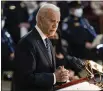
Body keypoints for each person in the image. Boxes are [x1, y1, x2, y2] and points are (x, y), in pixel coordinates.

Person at [12, 3, 71, 91]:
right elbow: (25, 78)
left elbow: (45, 71)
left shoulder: (48, 41)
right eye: (52, 21)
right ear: (40, 20)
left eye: (57, 22)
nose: (55, 26)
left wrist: (60, 75)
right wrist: (54, 77)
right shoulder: (27, 42)